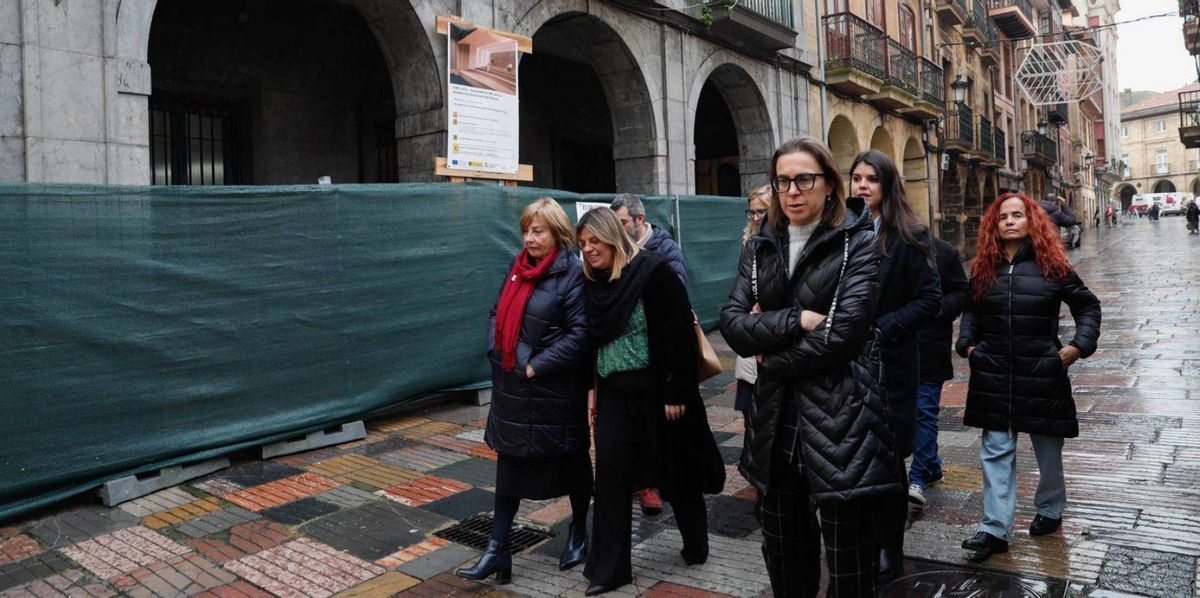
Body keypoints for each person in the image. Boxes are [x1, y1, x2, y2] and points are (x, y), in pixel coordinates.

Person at [720, 137, 903, 597]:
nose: (793, 191)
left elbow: (843, 336)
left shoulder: (858, 244)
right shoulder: (760, 248)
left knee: (848, 570)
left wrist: (770, 351)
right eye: (783, 181)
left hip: (843, 422)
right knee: (785, 560)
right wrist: (798, 320)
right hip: (775, 424)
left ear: (828, 184)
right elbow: (733, 325)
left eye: (805, 179)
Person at [578, 207, 724, 596]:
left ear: (613, 236)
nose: (589, 250)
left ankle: (696, 541)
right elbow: (592, 344)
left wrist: (678, 393)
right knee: (609, 479)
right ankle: (609, 570)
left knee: (675, 473)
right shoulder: (594, 283)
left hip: (659, 394)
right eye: (583, 244)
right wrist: (592, 392)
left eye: (595, 241)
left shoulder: (654, 272)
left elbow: (678, 335)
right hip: (613, 394)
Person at [957, 193, 1102, 560]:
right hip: (994, 374)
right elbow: (971, 310)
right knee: (995, 451)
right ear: (994, 224)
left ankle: (1051, 507)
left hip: (1042, 373)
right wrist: (968, 344)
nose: (1008, 221)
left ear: (1031, 221)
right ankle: (994, 529)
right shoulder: (983, 268)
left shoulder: (1053, 265)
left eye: (1017, 215)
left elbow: (1088, 305)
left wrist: (1077, 347)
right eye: (1002, 216)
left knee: (1048, 450)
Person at [456, 198, 593, 584]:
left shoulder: (573, 275)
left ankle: (579, 533)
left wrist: (536, 364)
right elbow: (495, 313)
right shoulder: (516, 269)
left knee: (572, 467)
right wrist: (496, 351)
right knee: (510, 468)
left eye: (538, 231)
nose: (529, 239)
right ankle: (497, 551)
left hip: (553, 393)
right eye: (526, 230)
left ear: (557, 234)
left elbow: (581, 333)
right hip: (513, 390)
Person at [848, 149, 942, 582]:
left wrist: (884, 328)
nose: (862, 185)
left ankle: (890, 544)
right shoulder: (840, 233)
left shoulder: (909, 235)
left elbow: (930, 300)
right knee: (853, 456)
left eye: (872, 179)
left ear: (887, 186)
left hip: (893, 368)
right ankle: (857, 537)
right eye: (856, 178)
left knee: (887, 461)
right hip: (847, 368)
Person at [609, 193, 687, 516]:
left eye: (623, 223)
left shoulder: (665, 250)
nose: (619, 229)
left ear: (640, 220)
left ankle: (654, 484)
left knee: (657, 427)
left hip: (658, 354)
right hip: (625, 357)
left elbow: (677, 299)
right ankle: (637, 480)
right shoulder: (617, 252)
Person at [908, 236, 970, 508]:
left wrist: (936, 310)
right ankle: (931, 466)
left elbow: (961, 292)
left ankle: (918, 476)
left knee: (924, 411)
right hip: (892, 345)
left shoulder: (942, 251)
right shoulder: (876, 247)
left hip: (929, 346)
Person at [734, 185, 772, 416]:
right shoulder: (749, 241)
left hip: (772, 325)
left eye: (762, 211)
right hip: (752, 326)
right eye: (752, 212)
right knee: (750, 406)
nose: (756, 218)